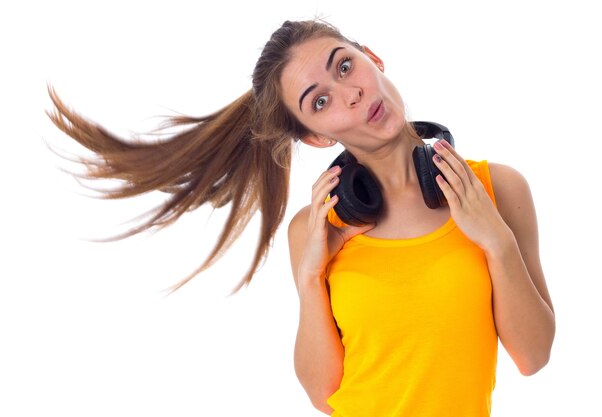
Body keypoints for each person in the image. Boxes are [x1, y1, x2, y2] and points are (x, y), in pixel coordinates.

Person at [47, 19, 555, 417]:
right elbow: (323, 393)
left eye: (344, 66)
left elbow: (533, 357)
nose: (350, 93)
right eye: (321, 101)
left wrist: (497, 242)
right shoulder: (317, 228)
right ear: (316, 137)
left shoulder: (498, 189)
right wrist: (311, 277)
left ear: (372, 58)